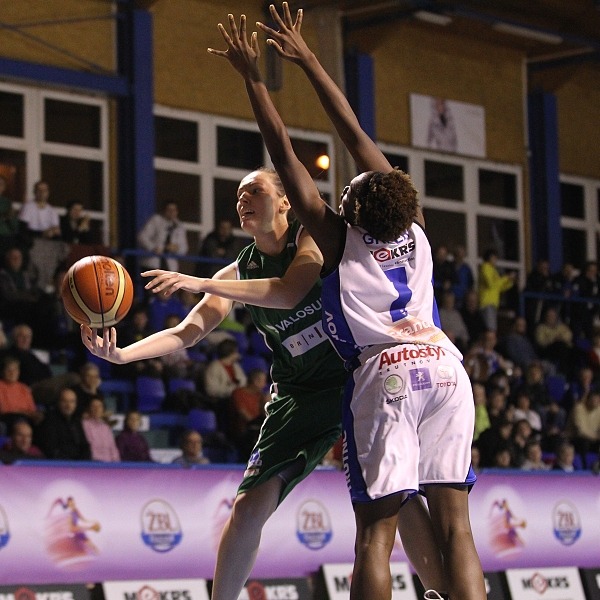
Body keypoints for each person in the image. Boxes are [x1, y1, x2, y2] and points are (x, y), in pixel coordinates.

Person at [211, 6, 485, 599]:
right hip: (447, 370)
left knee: (374, 537)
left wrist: (254, 78)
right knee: (457, 527)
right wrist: (309, 59)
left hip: (387, 373)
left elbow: (284, 152)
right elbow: (357, 136)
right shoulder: (415, 227)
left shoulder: (336, 241)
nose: (343, 191)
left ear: (354, 209)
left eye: (347, 193)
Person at [35, 387, 91, 461]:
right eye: (65, 401)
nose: (68, 405)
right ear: (58, 402)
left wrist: (83, 462)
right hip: (60, 464)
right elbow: (51, 449)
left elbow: (84, 445)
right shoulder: (50, 420)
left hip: (78, 463)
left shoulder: (76, 421)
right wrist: (70, 463)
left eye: (72, 402)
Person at [137, 201, 188, 272]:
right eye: (169, 210)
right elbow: (142, 237)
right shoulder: (156, 220)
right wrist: (154, 248)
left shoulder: (179, 226)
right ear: (164, 211)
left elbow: (184, 248)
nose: (171, 212)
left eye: (174, 210)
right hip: (152, 264)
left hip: (170, 267)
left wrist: (176, 248)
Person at [477, 248, 516, 333]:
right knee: (490, 328)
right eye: (494, 257)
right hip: (486, 302)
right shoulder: (485, 267)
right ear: (490, 257)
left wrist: (510, 282)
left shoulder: (493, 270)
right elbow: (491, 284)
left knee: (492, 327)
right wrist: (507, 277)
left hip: (493, 303)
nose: (496, 260)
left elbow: (499, 287)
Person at [0, 355, 43, 430]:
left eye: (15, 370)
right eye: (8, 370)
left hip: (27, 419)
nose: (12, 373)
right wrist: (24, 412)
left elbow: (32, 410)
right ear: (2, 372)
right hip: (9, 419)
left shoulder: (24, 388)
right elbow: (4, 410)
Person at [82, 397, 120, 462]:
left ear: (103, 409)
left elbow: (112, 447)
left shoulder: (106, 427)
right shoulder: (84, 425)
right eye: (94, 406)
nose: (97, 409)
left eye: (99, 406)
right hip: (92, 463)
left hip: (108, 464)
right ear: (89, 409)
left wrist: (116, 463)